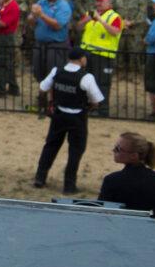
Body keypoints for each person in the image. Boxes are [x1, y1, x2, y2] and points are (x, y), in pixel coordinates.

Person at [33, 48, 104, 194]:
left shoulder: (56, 71)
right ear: (81, 59)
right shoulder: (86, 77)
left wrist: (48, 103)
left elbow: (42, 88)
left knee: (51, 146)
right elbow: (97, 100)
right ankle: (69, 184)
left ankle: (40, 177)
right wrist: (88, 107)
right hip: (77, 117)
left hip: (58, 115)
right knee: (75, 151)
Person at [99, 132, 155, 219]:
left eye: (118, 149)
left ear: (134, 156)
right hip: (152, 229)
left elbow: (101, 215)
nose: (113, 150)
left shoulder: (112, 180)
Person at [77, 0, 122, 117]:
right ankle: (89, 106)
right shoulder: (89, 14)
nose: (98, 3)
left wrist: (100, 20)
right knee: (86, 82)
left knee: (102, 83)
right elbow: (78, 28)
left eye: (101, 1)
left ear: (108, 2)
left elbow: (115, 32)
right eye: (96, 0)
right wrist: (86, 20)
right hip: (87, 53)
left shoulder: (115, 17)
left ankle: (102, 109)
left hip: (104, 55)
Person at [31, 0, 72, 114]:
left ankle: (52, 101)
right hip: (40, 43)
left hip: (56, 44)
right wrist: (32, 16)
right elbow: (30, 21)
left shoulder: (63, 6)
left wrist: (41, 14)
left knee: (53, 73)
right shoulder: (41, 2)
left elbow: (57, 25)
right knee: (39, 71)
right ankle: (43, 98)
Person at [0, 0, 20, 99]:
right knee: (6, 63)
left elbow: (3, 23)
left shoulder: (13, 6)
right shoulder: (3, 4)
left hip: (5, 37)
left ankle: (1, 90)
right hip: (0, 37)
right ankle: (13, 88)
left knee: (1, 64)